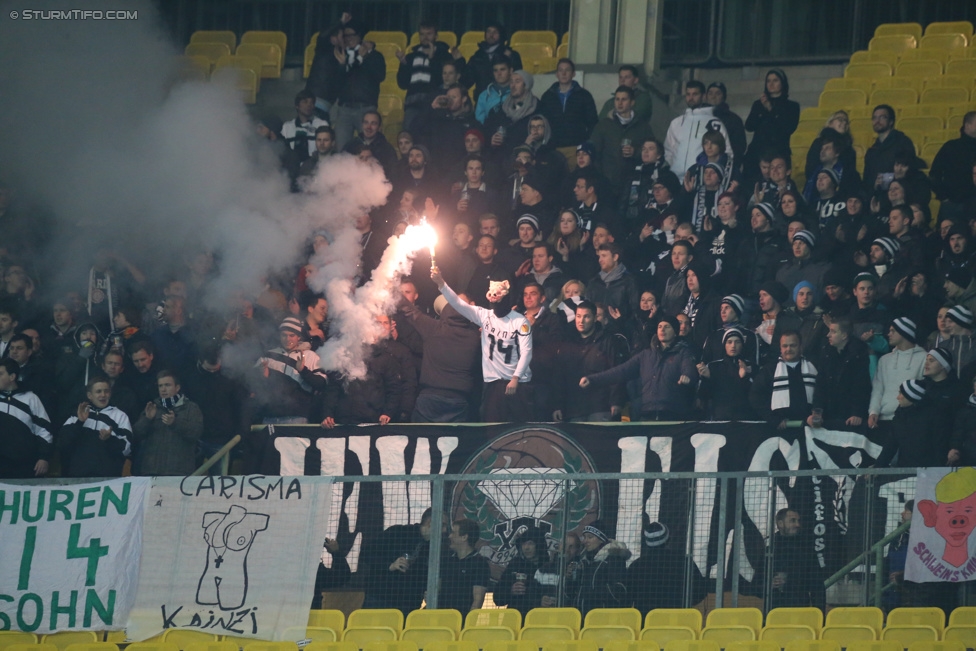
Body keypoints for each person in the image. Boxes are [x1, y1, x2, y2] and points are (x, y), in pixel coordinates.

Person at [431, 267, 533, 422]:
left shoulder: (520, 321)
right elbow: (458, 303)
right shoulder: (484, 316)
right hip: (493, 383)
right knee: (491, 426)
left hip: (517, 383)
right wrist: (441, 283)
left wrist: (516, 377)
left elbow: (527, 351)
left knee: (518, 428)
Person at [581, 315, 697, 420]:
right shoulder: (645, 355)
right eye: (660, 326)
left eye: (667, 327)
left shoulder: (683, 352)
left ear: (675, 331)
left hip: (672, 414)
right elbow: (620, 371)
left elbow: (689, 368)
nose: (662, 329)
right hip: (647, 413)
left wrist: (687, 376)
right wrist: (592, 379)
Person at [552, 300, 628, 422]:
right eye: (578, 316)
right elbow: (559, 376)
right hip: (574, 408)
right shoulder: (567, 343)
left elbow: (616, 372)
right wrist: (557, 406)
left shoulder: (608, 341)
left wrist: (616, 401)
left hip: (601, 406)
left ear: (594, 318)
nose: (581, 321)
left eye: (586, 316)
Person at [253, 318, 330, 425]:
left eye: (292, 335)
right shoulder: (267, 357)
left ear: (299, 337)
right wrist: (263, 377)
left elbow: (321, 384)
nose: (287, 339)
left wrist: (303, 370)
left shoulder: (310, 356)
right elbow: (252, 388)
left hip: (298, 417)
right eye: (284, 335)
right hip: (269, 416)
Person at [132, 369, 204, 476]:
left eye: (167, 385)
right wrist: (147, 419)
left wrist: (175, 423)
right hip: (151, 471)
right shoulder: (152, 407)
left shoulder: (191, 408)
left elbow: (196, 432)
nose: (163, 389)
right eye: (160, 386)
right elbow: (136, 434)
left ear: (177, 387)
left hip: (179, 472)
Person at [58, 376, 132, 477]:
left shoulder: (120, 416)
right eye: (98, 391)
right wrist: (79, 422)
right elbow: (63, 443)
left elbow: (127, 449)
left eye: (106, 391)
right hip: (78, 477)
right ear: (89, 395)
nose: (103, 395)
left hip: (108, 479)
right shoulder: (78, 413)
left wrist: (109, 439)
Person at [329, 19, 387, 149]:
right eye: (345, 36)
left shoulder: (375, 55)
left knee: (369, 147)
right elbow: (335, 83)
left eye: (351, 35)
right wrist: (342, 65)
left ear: (359, 36)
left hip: (366, 108)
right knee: (341, 149)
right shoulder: (341, 55)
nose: (348, 39)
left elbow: (380, 76)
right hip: (344, 109)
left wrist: (366, 57)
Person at [590, 86, 656, 195]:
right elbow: (594, 152)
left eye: (624, 99)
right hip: (607, 183)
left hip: (634, 183)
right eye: (617, 99)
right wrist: (599, 177)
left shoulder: (643, 127)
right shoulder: (604, 125)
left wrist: (635, 152)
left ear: (632, 102)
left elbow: (653, 153)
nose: (619, 103)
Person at [809, 318, 871, 430]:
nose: (828, 335)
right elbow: (820, 384)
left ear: (844, 335)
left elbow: (861, 385)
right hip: (828, 412)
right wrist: (817, 411)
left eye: (833, 331)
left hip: (850, 416)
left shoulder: (859, 353)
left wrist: (857, 412)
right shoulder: (826, 352)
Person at [867, 317, 926, 434]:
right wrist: (873, 411)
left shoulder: (924, 358)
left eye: (893, 331)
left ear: (904, 332)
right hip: (883, 420)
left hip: (909, 421)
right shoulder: (885, 360)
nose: (889, 334)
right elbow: (877, 390)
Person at [743, 70, 800, 185]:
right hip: (756, 154)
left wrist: (771, 109)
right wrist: (761, 111)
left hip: (778, 153)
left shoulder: (792, 106)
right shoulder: (758, 104)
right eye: (768, 81)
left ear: (782, 83)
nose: (771, 84)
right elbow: (749, 126)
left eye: (775, 80)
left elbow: (788, 128)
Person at [750, 331, 816, 429]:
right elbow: (756, 397)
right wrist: (773, 420)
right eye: (785, 346)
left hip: (810, 427)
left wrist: (817, 414)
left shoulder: (813, 368)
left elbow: (822, 395)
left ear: (800, 346)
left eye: (793, 345)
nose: (788, 349)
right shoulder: (769, 370)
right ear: (780, 348)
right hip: (780, 428)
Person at [0, 357, 52, 478]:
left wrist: (44, 457)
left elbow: (44, 430)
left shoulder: (30, 398)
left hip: (24, 463)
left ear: (12, 377)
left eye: (0, 374)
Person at [664, 80, 729, 175]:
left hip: (701, 177)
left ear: (703, 96)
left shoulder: (714, 122)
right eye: (688, 94)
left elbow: (725, 151)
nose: (691, 98)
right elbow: (668, 150)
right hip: (675, 177)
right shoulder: (676, 122)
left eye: (695, 94)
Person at [568, 519, 630, 616]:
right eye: (584, 537)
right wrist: (570, 578)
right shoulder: (583, 562)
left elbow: (620, 592)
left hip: (604, 620)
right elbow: (571, 594)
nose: (585, 541)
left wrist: (592, 592)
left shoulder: (613, 560)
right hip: (581, 619)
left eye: (590, 537)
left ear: (601, 539)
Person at [768, 508, 825, 609]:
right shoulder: (770, 549)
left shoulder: (806, 549)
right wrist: (769, 583)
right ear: (780, 523)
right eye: (792, 521)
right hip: (774, 610)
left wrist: (819, 616)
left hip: (800, 609)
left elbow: (817, 586)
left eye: (798, 521)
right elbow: (757, 582)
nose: (797, 525)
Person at [697, 328, 757, 420]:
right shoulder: (713, 366)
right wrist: (707, 378)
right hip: (720, 418)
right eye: (729, 342)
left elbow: (756, 396)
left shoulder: (752, 367)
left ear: (742, 345)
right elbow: (704, 396)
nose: (733, 346)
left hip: (746, 419)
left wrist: (744, 378)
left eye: (737, 342)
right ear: (724, 345)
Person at [538, 58, 598, 148]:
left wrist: (587, 143)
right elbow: (542, 122)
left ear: (573, 74)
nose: (564, 73)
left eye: (567, 70)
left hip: (577, 147)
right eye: (560, 70)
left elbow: (592, 123)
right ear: (557, 74)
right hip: (553, 148)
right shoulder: (547, 97)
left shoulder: (584, 96)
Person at [930, 111, 976, 223]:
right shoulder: (950, 147)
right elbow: (934, 174)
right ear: (967, 125)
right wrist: (944, 197)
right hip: (952, 204)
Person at [493, 526, 551, 615]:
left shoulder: (549, 567)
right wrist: (510, 591)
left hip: (540, 619)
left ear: (539, 545)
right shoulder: (515, 565)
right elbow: (497, 599)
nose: (526, 548)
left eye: (530, 543)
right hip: (514, 620)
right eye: (523, 544)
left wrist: (540, 600)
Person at [862, 105, 917, 194]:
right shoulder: (872, 150)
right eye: (874, 118)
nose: (877, 121)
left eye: (882, 117)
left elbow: (910, 172)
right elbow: (867, 179)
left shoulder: (903, 142)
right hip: (877, 199)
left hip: (898, 196)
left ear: (891, 121)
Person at [441, 519, 490, 616]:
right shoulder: (447, 560)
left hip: (462, 619)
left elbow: (477, 600)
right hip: (441, 617)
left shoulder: (479, 563)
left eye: (454, 533)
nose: (450, 536)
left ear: (464, 537)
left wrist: (468, 623)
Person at [464, 24, 523, 101]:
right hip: (483, 101)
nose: (491, 35)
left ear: (501, 35)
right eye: (488, 32)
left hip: (506, 100)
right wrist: (460, 62)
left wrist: (510, 59)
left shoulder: (511, 54)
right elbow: (466, 82)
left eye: (495, 32)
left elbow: (518, 77)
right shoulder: (477, 56)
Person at [282, 89, 330, 165]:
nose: (309, 105)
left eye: (312, 102)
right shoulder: (287, 126)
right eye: (305, 102)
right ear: (297, 106)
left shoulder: (321, 124)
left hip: (314, 166)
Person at [706, 81, 746, 164]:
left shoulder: (734, 119)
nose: (713, 96)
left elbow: (739, 147)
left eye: (718, 93)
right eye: (710, 93)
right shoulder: (699, 118)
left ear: (723, 97)